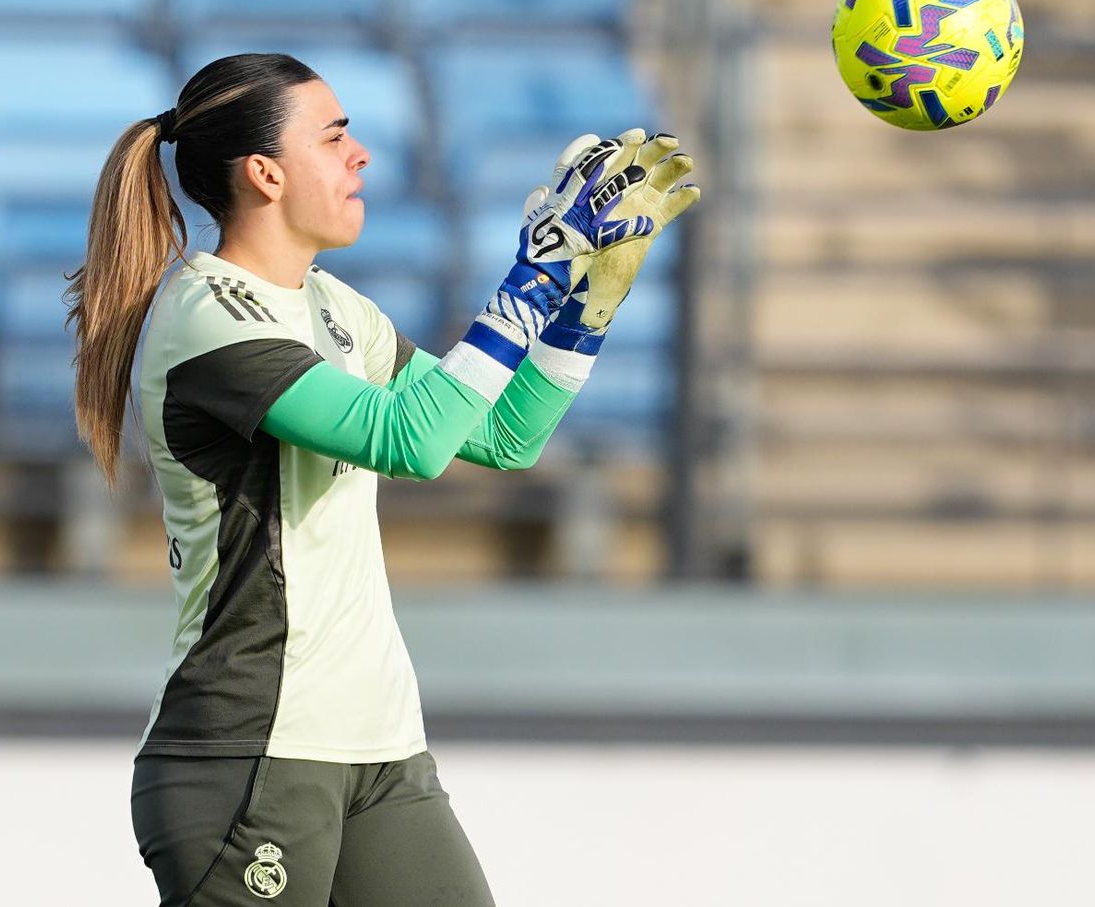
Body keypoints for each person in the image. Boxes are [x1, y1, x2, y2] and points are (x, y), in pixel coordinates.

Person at [63, 52, 699, 906]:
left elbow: (501, 436)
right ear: (265, 173)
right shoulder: (208, 315)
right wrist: (533, 273)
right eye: (334, 138)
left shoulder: (336, 306)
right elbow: (411, 441)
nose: (360, 156)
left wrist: (582, 308)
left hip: (380, 747)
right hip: (250, 751)